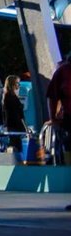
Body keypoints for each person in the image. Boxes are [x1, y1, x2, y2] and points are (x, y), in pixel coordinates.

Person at [44, 53, 71, 211]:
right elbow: (52, 96)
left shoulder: (63, 72)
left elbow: (52, 97)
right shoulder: (63, 72)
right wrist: (53, 118)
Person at [2, 75, 26, 152]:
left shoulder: (10, 96)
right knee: (16, 144)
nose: (18, 85)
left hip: (14, 124)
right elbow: (12, 113)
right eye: (17, 83)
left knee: (16, 144)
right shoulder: (9, 96)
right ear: (12, 84)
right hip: (14, 124)